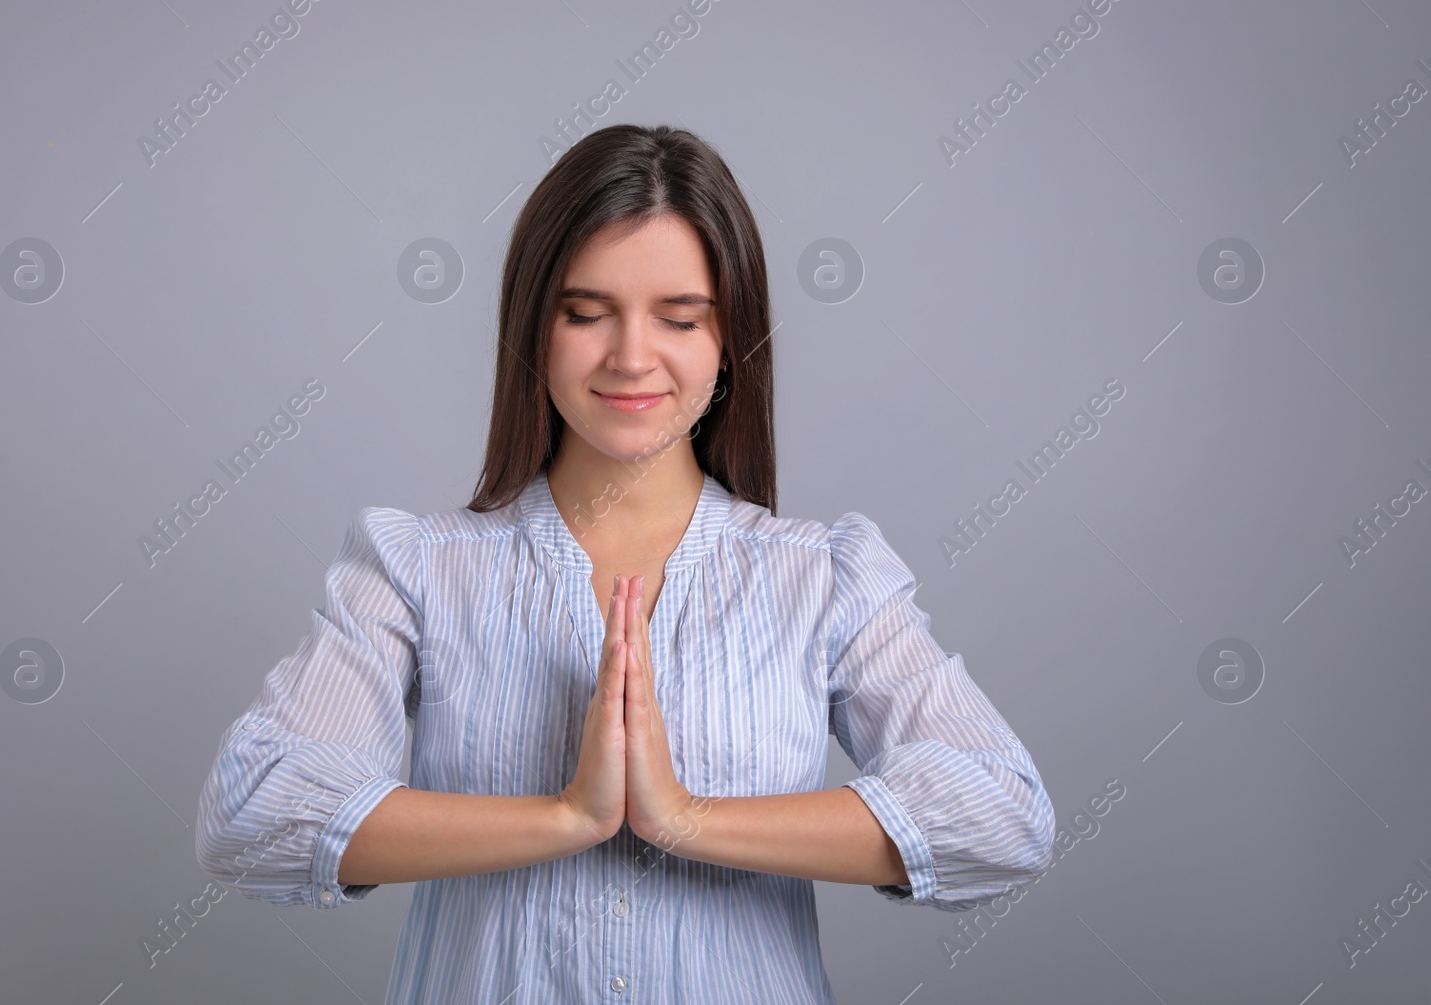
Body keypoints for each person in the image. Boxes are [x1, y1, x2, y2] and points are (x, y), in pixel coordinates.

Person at [194, 123, 1056, 1003]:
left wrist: (684, 818)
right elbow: (253, 811)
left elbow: (1001, 814)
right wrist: (566, 816)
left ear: (731, 340)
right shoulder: (416, 567)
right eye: (585, 312)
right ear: (534, 325)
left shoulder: (824, 577)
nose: (632, 357)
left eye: (680, 317)